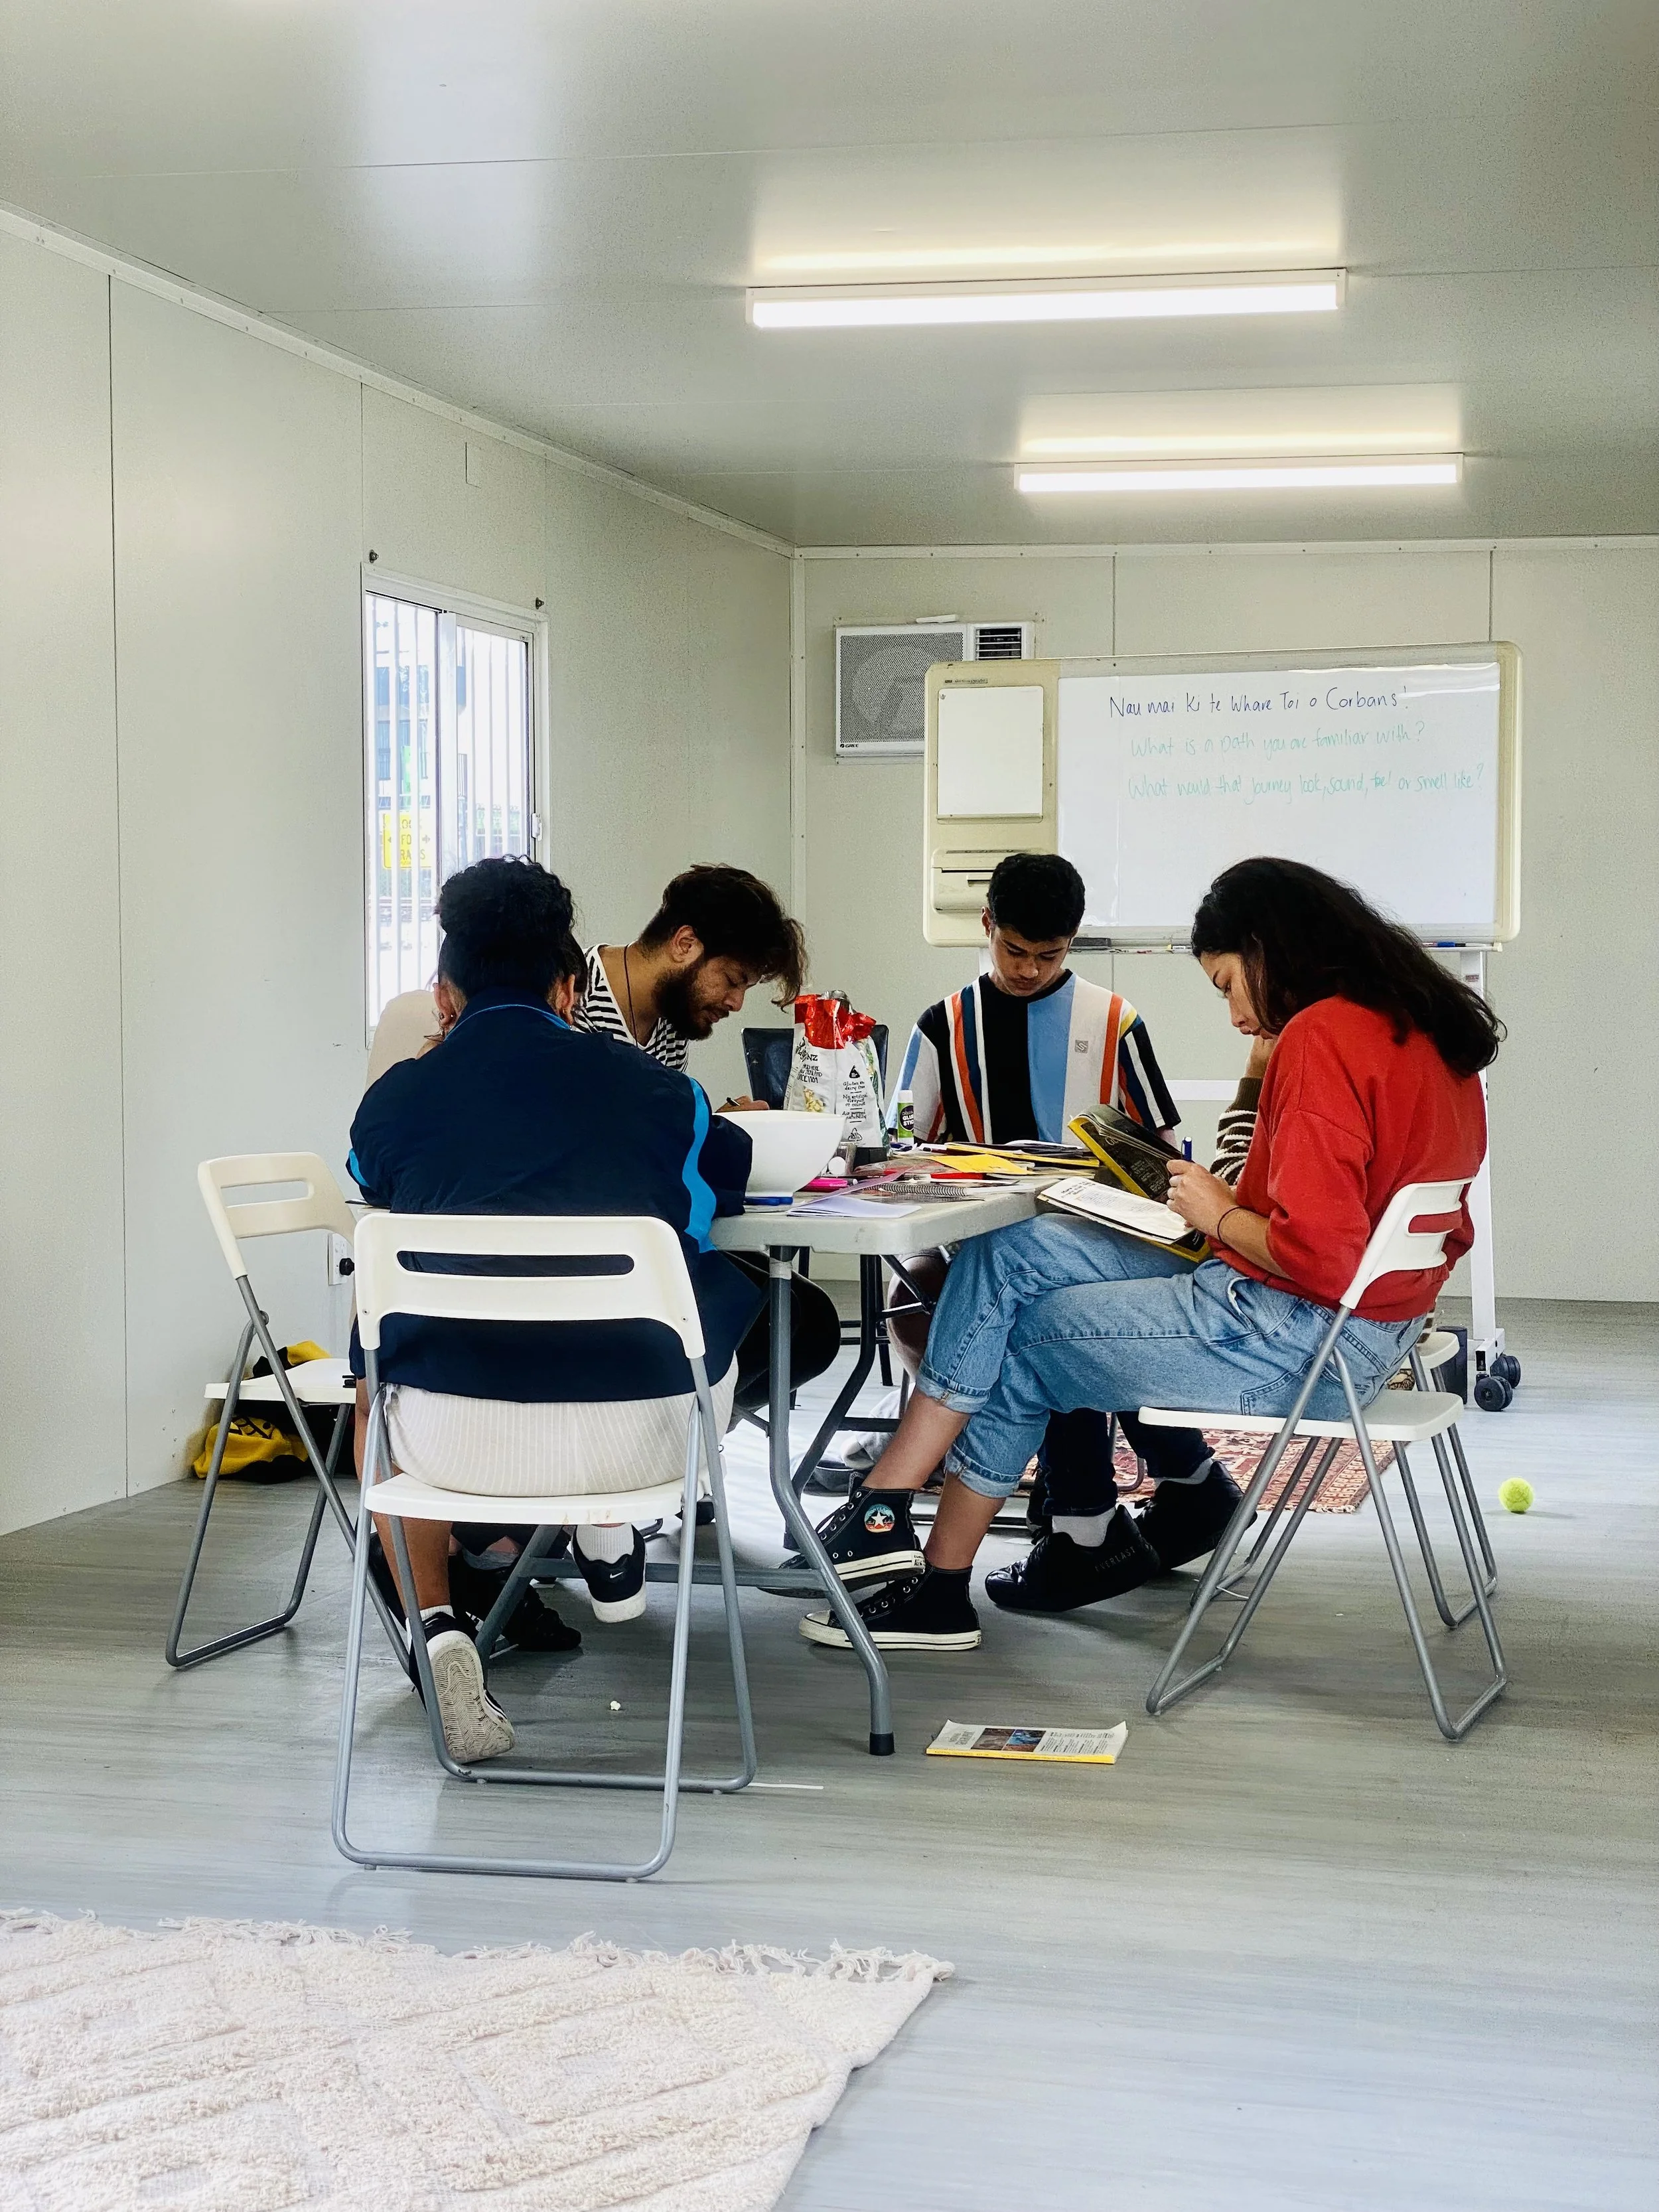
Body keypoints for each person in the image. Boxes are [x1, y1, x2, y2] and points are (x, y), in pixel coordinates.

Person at [799, 856, 1497, 1653]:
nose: (1235, 1015)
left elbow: (1322, 1255)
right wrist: (1223, 1208)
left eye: (1229, 984)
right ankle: (889, 1505)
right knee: (1013, 1245)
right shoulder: (1424, 1026)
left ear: (1270, 950)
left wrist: (1219, 1209)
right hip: (1360, 1329)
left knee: (1022, 1337)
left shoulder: (1320, 1036)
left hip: (1294, 1333)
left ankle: (934, 1577)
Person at [348, 856, 814, 1761]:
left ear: (445, 995)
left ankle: (438, 1618)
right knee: (714, 1293)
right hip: (635, 1437)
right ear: (569, 986)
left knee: (379, 1350)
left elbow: (372, 1185)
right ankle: (609, 1532)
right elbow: (716, 1193)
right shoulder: (663, 1093)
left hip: (451, 1444)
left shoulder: (396, 1100)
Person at [825, 849, 1246, 1613]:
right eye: (1013, 951)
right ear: (987, 927)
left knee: (1050, 1308)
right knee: (1027, 1297)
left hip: (1106, 1240)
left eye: (1047, 955)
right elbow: (898, 1145)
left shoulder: (1114, 1022)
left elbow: (1162, 1157)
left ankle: (1086, 1528)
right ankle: (1153, 1502)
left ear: (1073, 942)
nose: (1026, 969)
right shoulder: (944, 1025)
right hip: (984, 1241)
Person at [573, 864, 806, 1100]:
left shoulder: (673, 1022)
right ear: (685, 945)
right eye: (732, 980)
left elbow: (654, 1131)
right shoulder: (571, 994)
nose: (737, 1004)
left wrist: (713, 1126)